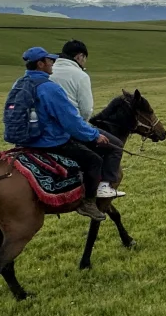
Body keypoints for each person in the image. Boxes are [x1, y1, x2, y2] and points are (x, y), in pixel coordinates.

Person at [15, 46, 118, 220]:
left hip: (25, 141)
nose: (53, 63)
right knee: (94, 160)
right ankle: (88, 203)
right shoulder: (50, 88)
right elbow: (71, 121)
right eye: (49, 60)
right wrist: (94, 135)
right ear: (40, 64)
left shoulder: (19, 84)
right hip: (50, 141)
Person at [51, 39, 124, 199]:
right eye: (85, 58)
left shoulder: (49, 70)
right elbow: (86, 109)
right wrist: (83, 127)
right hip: (70, 128)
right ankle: (104, 186)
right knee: (116, 146)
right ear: (80, 57)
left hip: (46, 127)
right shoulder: (80, 75)